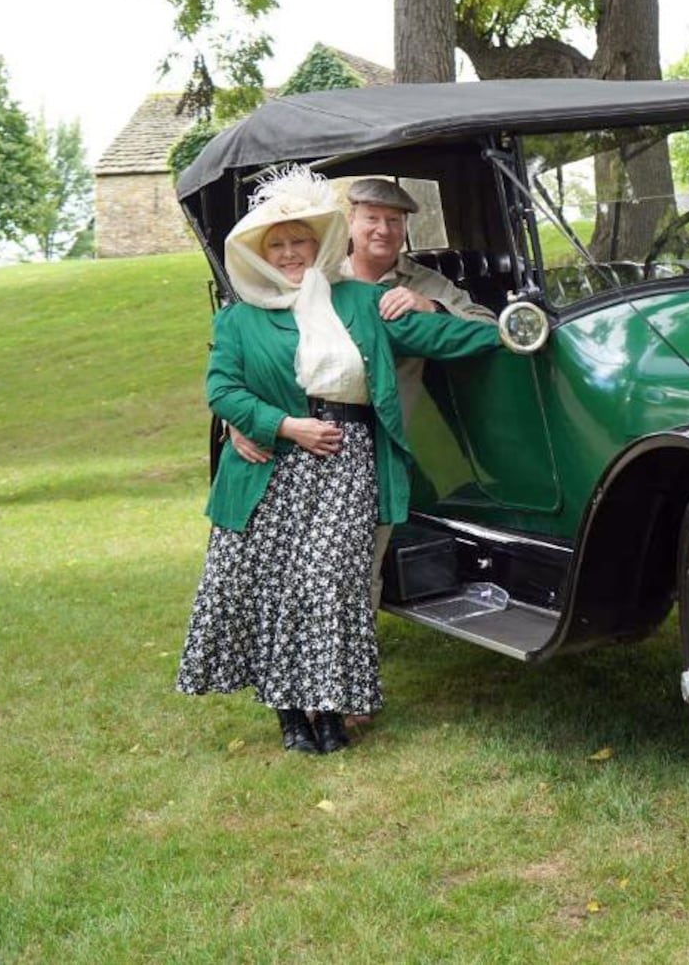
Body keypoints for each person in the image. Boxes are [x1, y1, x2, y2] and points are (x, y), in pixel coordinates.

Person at [176, 166, 502, 755]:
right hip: (272, 465)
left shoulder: (362, 300)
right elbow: (223, 390)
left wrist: (515, 331)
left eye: (299, 241)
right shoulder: (240, 318)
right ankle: (290, 715)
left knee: (331, 584)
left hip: (347, 463)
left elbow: (449, 340)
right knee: (279, 587)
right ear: (261, 254)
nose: (291, 253)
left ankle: (329, 708)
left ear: (319, 243)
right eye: (277, 245)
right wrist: (282, 425)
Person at [229, 177, 496, 620]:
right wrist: (242, 421)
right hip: (299, 439)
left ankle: (351, 659)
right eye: (371, 218)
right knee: (297, 560)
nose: (383, 229)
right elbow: (246, 358)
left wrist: (430, 306)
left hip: (379, 440)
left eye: (395, 220)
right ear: (349, 222)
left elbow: (486, 329)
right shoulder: (317, 278)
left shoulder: (423, 282)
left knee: (357, 560)